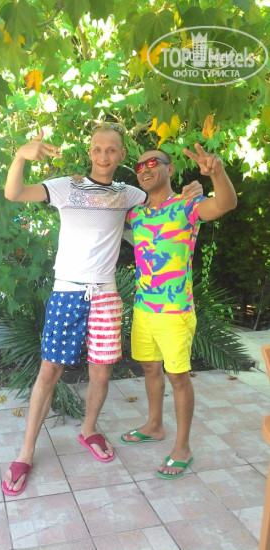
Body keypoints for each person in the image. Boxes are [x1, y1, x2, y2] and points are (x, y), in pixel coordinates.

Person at [2, 123, 201, 496]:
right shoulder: (67, 186)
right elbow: (13, 192)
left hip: (106, 294)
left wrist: (196, 189)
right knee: (49, 372)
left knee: (101, 373)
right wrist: (20, 156)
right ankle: (26, 452)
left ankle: (89, 430)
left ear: (122, 155)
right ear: (90, 152)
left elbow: (165, 201)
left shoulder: (130, 194)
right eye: (97, 149)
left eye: (112, 150)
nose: (104, 156)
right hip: (67, 290)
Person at [121, 144, 237, 480]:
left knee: (178, 377)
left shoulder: (188, 205)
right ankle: (154, 425)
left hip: (175, 311)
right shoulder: (136, 214)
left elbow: (226, 203)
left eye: (152, 163)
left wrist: (216, 173)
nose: (144, 169)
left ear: (170, 169)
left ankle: (182, 448)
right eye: (139, 166)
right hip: (143, 307)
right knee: (149, 367)